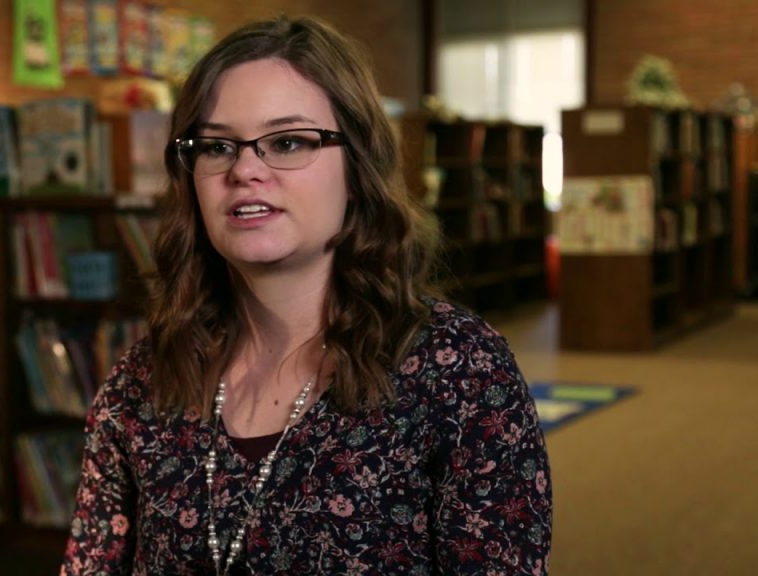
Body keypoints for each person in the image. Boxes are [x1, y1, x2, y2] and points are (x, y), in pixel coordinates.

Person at [60, 15, 551, 576]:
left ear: (358, 168)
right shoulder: (141, 379)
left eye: (288, 141)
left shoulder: (460, 370)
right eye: (217, 146)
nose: (245, 169)